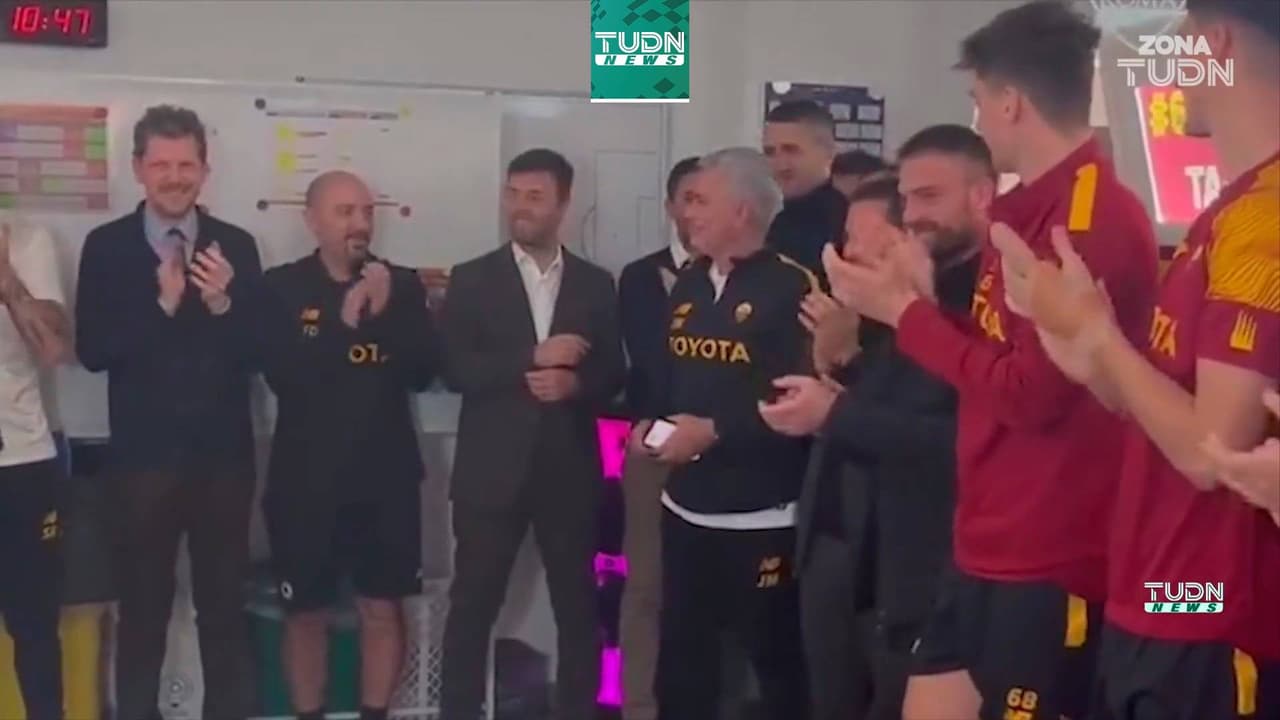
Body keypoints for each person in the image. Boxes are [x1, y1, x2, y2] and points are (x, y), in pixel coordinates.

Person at [823, 3, 1161, 718]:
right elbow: (995, 353)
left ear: (1010, 103)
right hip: (982, 540)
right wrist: (919, 304)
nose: (977, 119)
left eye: (978, 101)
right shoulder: (1021, 212)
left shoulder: (1087, 217)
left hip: (1048, 549)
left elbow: (1029, 394)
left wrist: (906, 314)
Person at [993, 1, 1280, 716]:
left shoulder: (1265, 218)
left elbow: (1214, 451)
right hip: (1153, 595)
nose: (1170, 65)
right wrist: (1086, 354)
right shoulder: (1230, 212)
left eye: (1181, 39)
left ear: (1216, 43)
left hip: (1209, 609)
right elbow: (1167, 405)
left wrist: (1100, 337)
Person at [75, 105, 262, 720]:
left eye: (186, 165)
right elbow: (93, 352)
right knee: (142, 612)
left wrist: (224, 304)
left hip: (224, 463)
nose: (175, 177)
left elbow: (259, 355)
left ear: (205, 170)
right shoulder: (106, 247)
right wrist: (161, 305)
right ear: (138, 168)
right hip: (141, 465)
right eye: (162, 165)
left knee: (224, 611)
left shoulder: (237, 246)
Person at [439, 148, 625, 720]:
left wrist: (575, 385)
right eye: (513, 193)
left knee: (578, 611)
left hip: (569, 474)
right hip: (489, 475)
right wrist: (532, 356)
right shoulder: (472, 279)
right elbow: (454, 370)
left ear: (563, 204)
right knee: (471, 609)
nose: (520, 206)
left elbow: (614, 375)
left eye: (535, 196)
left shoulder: (596, 284)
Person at [256, 170, 441, 720]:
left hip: (386, 480)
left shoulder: (401, 286)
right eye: (344, 212)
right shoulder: (281, 288)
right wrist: (345, 321)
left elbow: (423, 373)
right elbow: (284, 377)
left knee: (381, 608)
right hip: (304, 483)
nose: (359, 224)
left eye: (366, 212)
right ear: (312, 220)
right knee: (304, 614)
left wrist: (383, 315)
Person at [639, 147, 812, 720]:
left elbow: (798, 402)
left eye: (699, 201)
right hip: (685, 509)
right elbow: (671, 378)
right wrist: (653, 426)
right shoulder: (689, 283)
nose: (687, 214)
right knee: (683, 665)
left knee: (774, 666)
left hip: (760, 517)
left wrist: (715, 431)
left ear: (741, 211)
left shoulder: (792, 287)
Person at [615, 155, 699, 720]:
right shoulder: (641, 276)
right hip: (653, 441)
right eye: (687, 200)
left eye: (705, 200)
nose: (695, 212)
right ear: (670, 207)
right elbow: (652, 359)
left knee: (702, 591)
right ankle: (638, 707)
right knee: (645, 585)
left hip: (718, 445)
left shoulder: (745, 277)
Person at [0, 214, 73, 720]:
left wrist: (9, 283)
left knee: (34, 625)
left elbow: (54, 351)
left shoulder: (29, 242)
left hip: (21, 461)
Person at [763, 100, 849, 276]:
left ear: (829, 152)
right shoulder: (778, 220)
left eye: (791, 150)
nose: (780, 165)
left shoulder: (846, 225)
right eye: (770, 152)